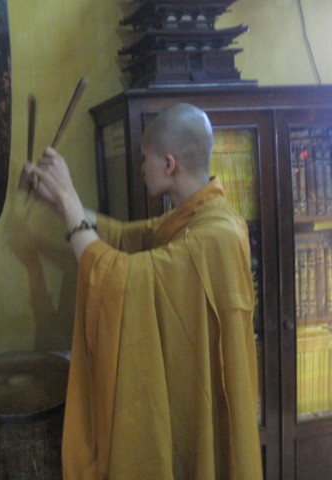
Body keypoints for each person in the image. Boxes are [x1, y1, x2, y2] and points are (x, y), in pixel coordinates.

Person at [19, 103, 263, 479]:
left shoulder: (216, 235)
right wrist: (54, 198)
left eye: (144, 158)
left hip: (207, 394)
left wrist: (69, 197)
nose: (141, 167)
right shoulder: (195, 216)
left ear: (169, 164)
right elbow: (124, 236)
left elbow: (122, 277)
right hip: (189, 382)